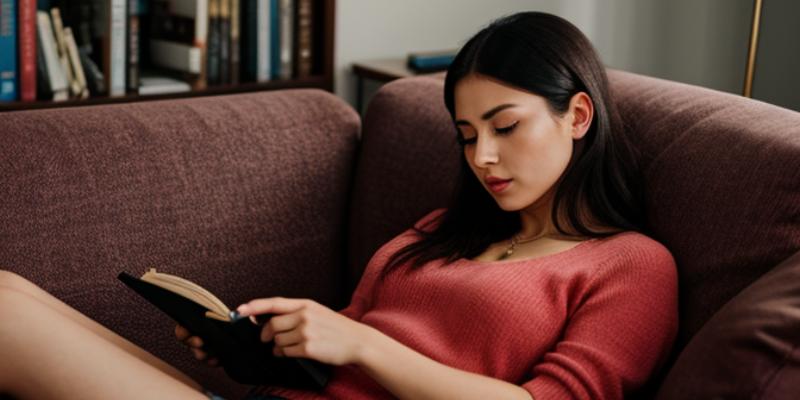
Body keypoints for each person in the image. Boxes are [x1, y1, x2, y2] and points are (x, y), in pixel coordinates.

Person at [0, 11, 677, 400]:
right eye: (467, 136)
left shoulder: (632, 266)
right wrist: (253, 351)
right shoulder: (447, 229)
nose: (482, 158)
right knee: (10, 294)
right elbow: (336, 361)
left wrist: (361, 341)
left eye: (505, 127)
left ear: (578, 115)